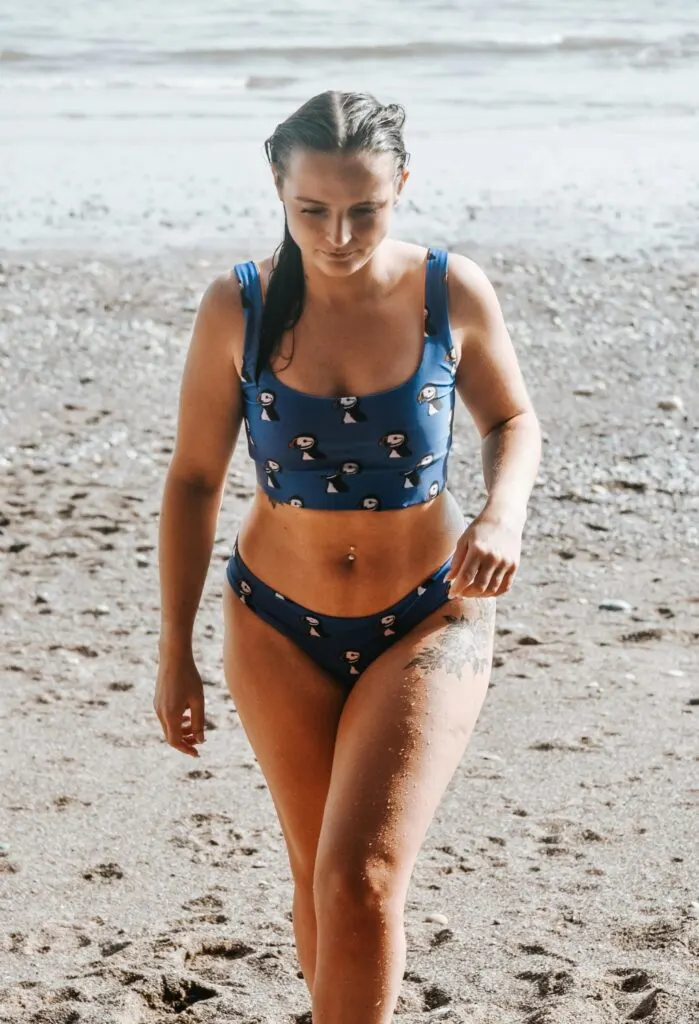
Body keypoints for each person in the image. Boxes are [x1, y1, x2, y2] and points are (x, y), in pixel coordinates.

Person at [154, 90, 541, 1024]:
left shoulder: (451, 290)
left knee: (362, 879)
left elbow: (513, 420)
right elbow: (195, 481)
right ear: (279, 193)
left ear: (401, 185)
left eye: (365, 208)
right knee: (318, 873)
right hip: (273, 623)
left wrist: (502, 515)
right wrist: (175, 651)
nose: (338, 233)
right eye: (312, 211)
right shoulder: (237, 307)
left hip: (429, 615)